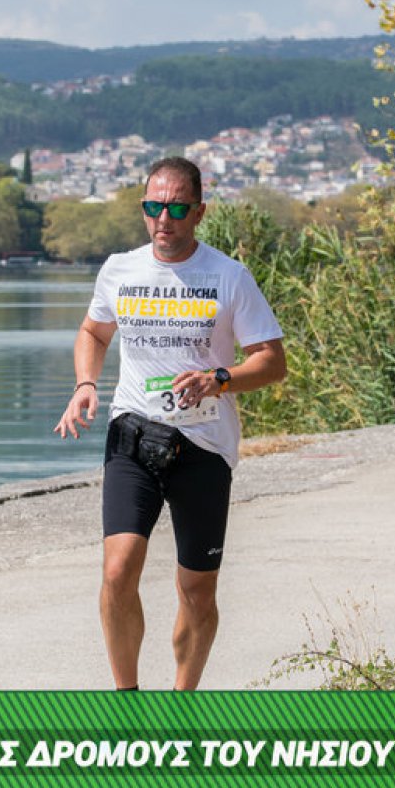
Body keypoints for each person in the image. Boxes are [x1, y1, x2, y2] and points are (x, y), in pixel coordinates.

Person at [54, 156, 286, 691]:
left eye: (178, 208)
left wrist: (219, 379)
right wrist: (85, 383)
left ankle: (181, 703)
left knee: (197, 593)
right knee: (117, 571)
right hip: (133, 434)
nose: (164, 219)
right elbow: (93, 332)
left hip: (203, 447)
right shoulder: (120, 270)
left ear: (199, 212)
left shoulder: (228, 276)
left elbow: (272, 362)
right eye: (154, 207)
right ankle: (127, 702)